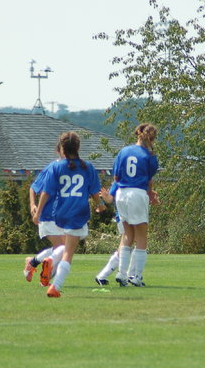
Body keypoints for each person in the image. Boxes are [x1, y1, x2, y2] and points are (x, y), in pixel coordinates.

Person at [33, 131, 105, 297]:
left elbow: (46, 192)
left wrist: (38, 212)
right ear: (78, 148)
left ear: (62, 148)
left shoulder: (56, 167)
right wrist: (100, 205)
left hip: (61, 213)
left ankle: (51, 259)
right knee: (69, 252)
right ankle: (55, 286)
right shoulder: (87, 167)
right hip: (78, 212)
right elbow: (94, 191)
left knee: (65, 246)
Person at [112, 123, 159, 287]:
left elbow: (116, 177)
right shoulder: (149, 155)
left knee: (127, 235)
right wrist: (151, 193)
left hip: (121, 193)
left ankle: (121, 273)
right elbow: (149, 179)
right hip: (137, 193)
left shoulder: (124, 151)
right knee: (141, 236)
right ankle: (136, 276)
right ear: (152, 138)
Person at [23, 142, 66, 287]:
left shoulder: (72, 169)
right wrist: (32, 205)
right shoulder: (52, 168)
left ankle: (34, 262)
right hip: (48, 215)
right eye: (64, 149)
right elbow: (34, 187)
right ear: (58, 151)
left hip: (63, 216)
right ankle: (44, 277)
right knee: (62, 248)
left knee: (62, 249)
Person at [94, 183, 137, 285]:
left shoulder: (119, 181)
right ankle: (130, 275)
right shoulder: (121, 181)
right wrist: (106, 197)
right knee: (137, 243)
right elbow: (109, 199)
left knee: (124, 246)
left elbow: (109, 199)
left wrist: (106, 197)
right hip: (125, 217)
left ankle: (103, 276)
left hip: (122, 217)